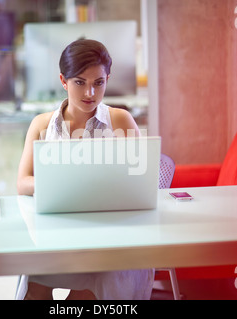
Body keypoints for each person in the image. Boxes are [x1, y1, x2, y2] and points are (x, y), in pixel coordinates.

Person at [16, 39, 154, 300]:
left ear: (107, 79)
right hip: (58, 236)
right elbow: (23, 183)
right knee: (35, 289)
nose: (90, 93)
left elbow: (144, 182)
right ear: (63, 81)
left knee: (84, 297)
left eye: (98, 83)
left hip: (114, 242)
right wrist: (65, 181)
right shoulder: (42, 125)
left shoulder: (120, 120)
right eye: (80, 82)